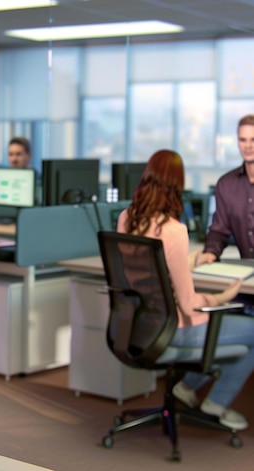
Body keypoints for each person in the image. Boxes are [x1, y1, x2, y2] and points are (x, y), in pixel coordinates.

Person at [118, 149, 254, 431]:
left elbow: (147, 272)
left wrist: (183, 263)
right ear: (176, 185)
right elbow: (189, 303)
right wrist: (222, 297)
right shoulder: (174, 230)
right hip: (174, 330)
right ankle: (216, 402)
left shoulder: (126, 218)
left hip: (139, 326)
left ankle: (187, 388)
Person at [199, 114, 254, 263]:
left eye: (253, 140)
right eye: (243, 140)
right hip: (248, 273)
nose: (248, 146)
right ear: (238, 142)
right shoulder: (226, 184)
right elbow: (219, 229)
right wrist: (210, 252)